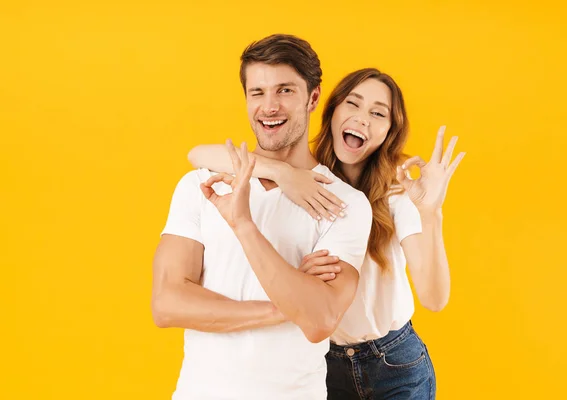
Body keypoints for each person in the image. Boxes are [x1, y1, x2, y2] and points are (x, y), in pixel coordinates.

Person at [188, 68, 465, 399]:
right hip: (323, 361)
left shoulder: (397, 192)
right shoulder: (304, 178)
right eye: (353, 104)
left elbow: (434, 298)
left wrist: (431, 212)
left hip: (393, 363)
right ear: (331, 112)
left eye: (378, 113)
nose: (363, 119)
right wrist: (282, 172)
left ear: (389, 131)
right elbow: (198, 155)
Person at [152, 34, 373, 400]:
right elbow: (167, 304)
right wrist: (287, 304)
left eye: (285, 90)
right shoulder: (201, 185)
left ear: (313, 98)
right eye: (258, 92)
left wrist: (244, 225)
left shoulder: (342, 203)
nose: (269, 106)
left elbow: (319, 320)